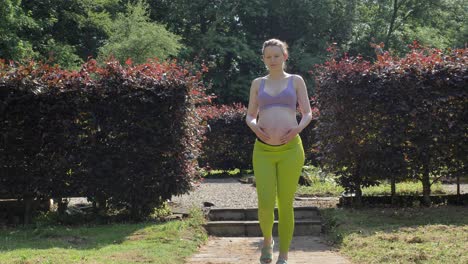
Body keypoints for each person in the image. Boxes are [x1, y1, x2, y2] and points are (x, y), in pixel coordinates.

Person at [246, 39, 312, 264]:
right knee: (265, 203)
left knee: (285, 204)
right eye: (268, 56)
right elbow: (250, 115)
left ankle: (283, 255)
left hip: (291, 150)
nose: (272, 60)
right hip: (263, 151)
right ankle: (267, 241)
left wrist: (297, 129)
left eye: (276, 55)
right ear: (263, 59)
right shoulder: (257, 83)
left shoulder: (296, 81)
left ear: (285, 56)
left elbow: (307, 113)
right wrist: (254, 126)